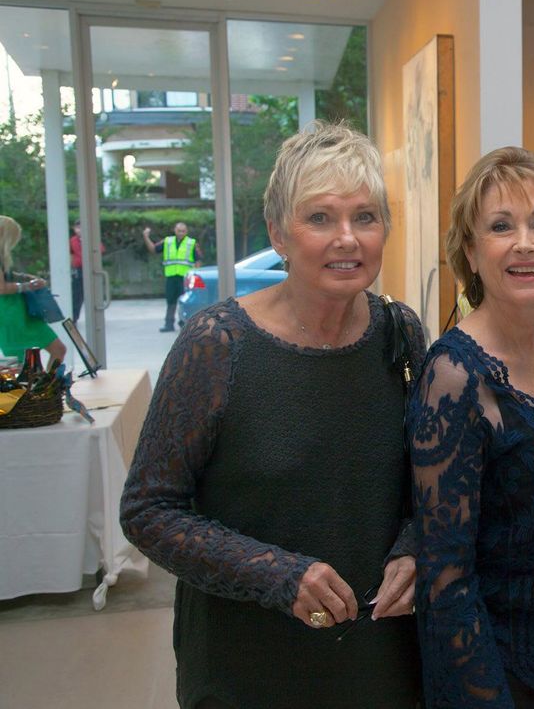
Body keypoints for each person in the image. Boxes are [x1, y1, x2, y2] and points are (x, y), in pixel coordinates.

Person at [121, 121, 425, 709]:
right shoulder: (217, 345)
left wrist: (415, 547)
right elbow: (148, 511)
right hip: (247, 660)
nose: (347, 239)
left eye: (365, 217)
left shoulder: (400, 333)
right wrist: (280, 576)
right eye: (320, 218)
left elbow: (425, 481)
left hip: (377, 657)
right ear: (278, 234)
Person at [408, 147, 534, 708]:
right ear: (471, 252)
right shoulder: (454, 376)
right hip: (499, 672)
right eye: (501, 227)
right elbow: (445, 575)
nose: (525, 243)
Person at [0, 215, 68, 363]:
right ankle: (46, 378)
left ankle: (50, 378)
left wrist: (26, 278)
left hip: (20, 312)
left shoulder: (2, 257)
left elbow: (6, 276)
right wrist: (28, 286)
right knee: (19, 362)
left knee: (58, 349)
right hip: (9, 314)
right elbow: (1, 288)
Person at [142, 220, 201, 332]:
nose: (181, 233)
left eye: (183, 231)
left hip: (186, 278)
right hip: (171, 277)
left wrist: (195, 276)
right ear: (175, 230)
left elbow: (198, 260)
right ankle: (169, 324)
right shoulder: (167, 241)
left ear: (186, 231)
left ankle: (185, 323)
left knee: (185, 301)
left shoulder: (192, 243)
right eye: (179, 231)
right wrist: (146, 237)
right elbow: (153, 249)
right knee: (171, 301)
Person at [70, 221, 104, 322]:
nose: (79, 230)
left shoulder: (92, 239)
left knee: (93, 294)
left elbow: (100, 250)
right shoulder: (72, 240)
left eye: (81, 227)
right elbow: (71, 253)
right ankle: (74, 317)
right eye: (77, 228)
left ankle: (96, 317)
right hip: (78, 269)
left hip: (90, 269)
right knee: (77, 295)